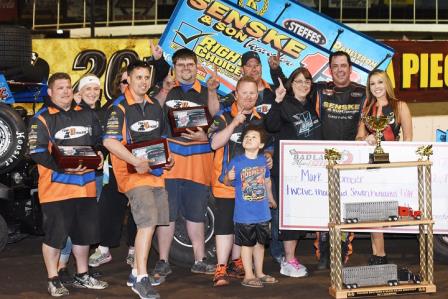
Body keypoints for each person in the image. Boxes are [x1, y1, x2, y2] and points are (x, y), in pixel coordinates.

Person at [28, 72, 108, 297]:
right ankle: (53, 278)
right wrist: (64, 168)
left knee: (84, 236)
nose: (65, 91)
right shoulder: (41, 119)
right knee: (56, 237)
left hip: (86, 186)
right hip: (56, 189)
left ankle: (82, 275)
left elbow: (99, 140)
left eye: (68, 87)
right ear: (50, 92)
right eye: (60, 88)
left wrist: (100, 154)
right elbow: (37, 153)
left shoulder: (86, 114)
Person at [103, 60, 174, 299]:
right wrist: (135, 161)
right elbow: (109, 142)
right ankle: (141, 279)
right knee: (146, 223)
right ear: (128, 79)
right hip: (132, 176)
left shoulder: (155, 105)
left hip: (155, 174)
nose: (143, 82)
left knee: (152, 222)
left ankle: (135, 272)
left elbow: (161, 137)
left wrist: (168, 158)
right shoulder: (119, 107)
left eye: (146, 77)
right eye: (138, 77)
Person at [152, 48, 220, 277]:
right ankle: (162, 260)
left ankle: (199, 260)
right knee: (167, 215)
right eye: (181, 65)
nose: (186, 69)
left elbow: (215, 117)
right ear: (174, 67)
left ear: (196, 66)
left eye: (190, 64)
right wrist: (164, 89)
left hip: (198, 161)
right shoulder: (167, 88)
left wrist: (212, 91)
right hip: (170, 162)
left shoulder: (205, 89)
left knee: (196, 214)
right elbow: (152, 113)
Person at [208, 76, 267, 287]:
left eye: (253, 93)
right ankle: (221, 268)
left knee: (244, 226)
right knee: (225, 226)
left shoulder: (260, 119)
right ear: (236, 94)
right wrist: (234, 123)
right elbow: (214, 143)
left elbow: (266, 149)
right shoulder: (222, 116)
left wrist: (267, 157)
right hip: (226, 183)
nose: (249, 97)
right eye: (244, 93)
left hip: (252, 187)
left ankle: (236, 263)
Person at [264, 67, 322, 277]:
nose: (303, 85)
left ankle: (291, 258)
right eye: (299, 81)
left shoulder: (311, 105)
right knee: (288, 216)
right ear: (291, 84)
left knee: (299, 216)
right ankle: (288, 260)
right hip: (286, 172)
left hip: (308, 172)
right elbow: (270, 125)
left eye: (307, 81)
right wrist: (277, 102)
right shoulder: (285, 104)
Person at [355, 69, 413, 265]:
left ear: (387, 83)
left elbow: (409, 139)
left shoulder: (400, 106)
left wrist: (401, 163)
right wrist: (366, 138)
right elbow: (358, 137)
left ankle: (381, 254)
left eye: (380, 82)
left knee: (392, 210)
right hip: (372, 166)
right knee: (373, 209)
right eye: (372, 84)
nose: (376, 87)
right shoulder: (367, 108)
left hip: (394, 166)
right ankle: (379, 254)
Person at [57, 74, 105, 283]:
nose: (93, 93)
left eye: (96, 89)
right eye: (88, 89)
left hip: (95, 176)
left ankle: (81, 267)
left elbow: (102, 141)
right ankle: (61, 266)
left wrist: (102, 151)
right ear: (79, 93)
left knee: (86, 224)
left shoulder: (101, 113)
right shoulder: (71, 113)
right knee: (71, 222)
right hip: (74, 176)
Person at [88, 70, 138, 269]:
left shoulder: (147, 105)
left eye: (131, 80)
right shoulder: (111, 107)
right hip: (115, 166)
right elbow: (100, 139)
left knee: (138, 208)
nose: (128, 84)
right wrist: (99, 152)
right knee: (110, 207)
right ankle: (104, 249)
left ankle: (135, 250)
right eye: (124, 81)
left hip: (139, 166)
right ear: (120, 84)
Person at [223, 124, 278, 288]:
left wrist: (272, 199)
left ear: (261, 144)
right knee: (246, 245)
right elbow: (227, 182)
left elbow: (267, 181)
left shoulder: (263, 161)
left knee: (260, 244)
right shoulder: (237, 161)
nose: (249, 139)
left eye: (254, 137)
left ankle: (259, 273)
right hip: (244, 214)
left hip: (262, 212)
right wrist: (228, 176)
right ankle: (248, 275)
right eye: (247, 137)